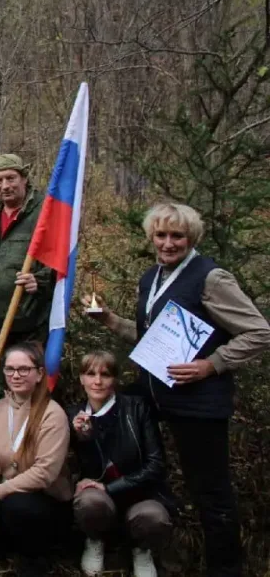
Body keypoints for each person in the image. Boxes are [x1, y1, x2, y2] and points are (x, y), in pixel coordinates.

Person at [82, 202, 270, 577]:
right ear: (151, 237)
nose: (168, 243)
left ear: (191, 238)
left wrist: (210, 365)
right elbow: (153, 339)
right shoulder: (152, 276)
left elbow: (260, 332)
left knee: (210, 490)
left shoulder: (210, 278)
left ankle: (225, 567)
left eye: (177, 236)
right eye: (161, 235)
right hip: (155, 395)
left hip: (198, 402)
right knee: (135, 462)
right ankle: (135, 544)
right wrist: (110, 320)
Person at [0, 343, 72, 576]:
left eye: (23, 369)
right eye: (10, 370)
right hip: (7, 493)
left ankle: (34, 557)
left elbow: (44, 472)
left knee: (18, 508)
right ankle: (0, 547)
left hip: (44, 498)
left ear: (39, 374)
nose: (15, 375)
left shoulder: (52, 414)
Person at [68, 351, 173, 577]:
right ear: (81, 378)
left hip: (140, 494)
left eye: (105, 374)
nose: (97, 381)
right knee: (88, 500)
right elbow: (66, 466)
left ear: (114, 378)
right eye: (90, 374)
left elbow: (156, 464)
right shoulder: (73, 416)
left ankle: (142, 550)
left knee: (154, 518)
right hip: (100, 500)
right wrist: (81, 438)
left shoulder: (137, 408)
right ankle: (95, 540)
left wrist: (110, 487)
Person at [0, 154, 55, 379]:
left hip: (28, 323)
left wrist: (39, 281)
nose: (5, 186)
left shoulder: (44, 213)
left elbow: (59, 260)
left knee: (27, 383)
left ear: (24, 179)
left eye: (11, 178)